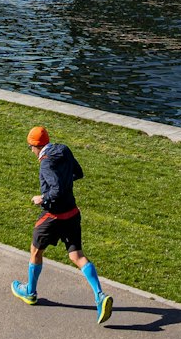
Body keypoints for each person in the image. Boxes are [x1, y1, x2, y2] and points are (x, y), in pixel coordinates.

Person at [11, 126, 113, 324]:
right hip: (72, 213)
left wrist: (42, 198)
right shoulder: (64, 149)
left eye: (30, 147)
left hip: (53, 216)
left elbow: (55, 190)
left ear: (35, 146)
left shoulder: (45, 164)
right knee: (77, 256)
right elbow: (78, 172)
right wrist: (65, 183)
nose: (31, 151)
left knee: (35, 251)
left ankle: (30, 292)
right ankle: (100, 297)